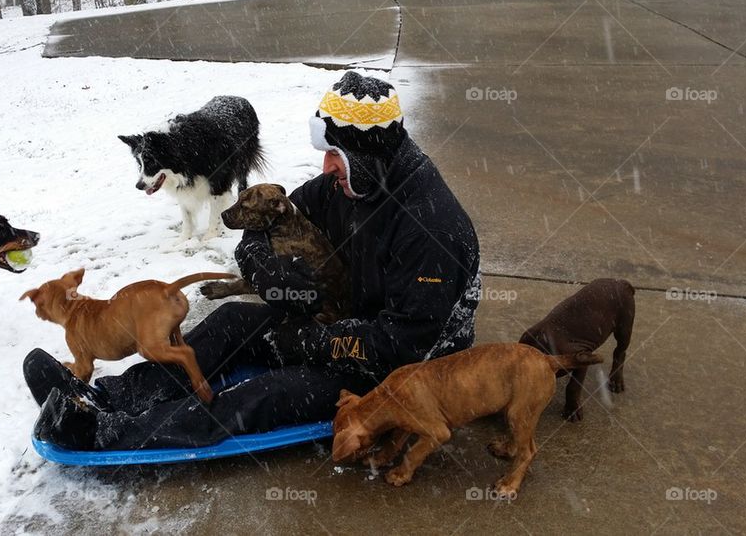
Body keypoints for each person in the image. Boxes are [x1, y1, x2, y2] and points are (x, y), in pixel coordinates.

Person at [24, 71, 481, 450]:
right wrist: (262, 264)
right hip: (338, 316)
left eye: (335, 155)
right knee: (231, 322)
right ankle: (108, 396)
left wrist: (312, 342)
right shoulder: (352, 182)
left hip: (397, 368)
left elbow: (403, 344)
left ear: (367, 154)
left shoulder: (432, 229)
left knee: (267, 393)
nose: (326, 169)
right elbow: (266, 217)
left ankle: (107, 434)